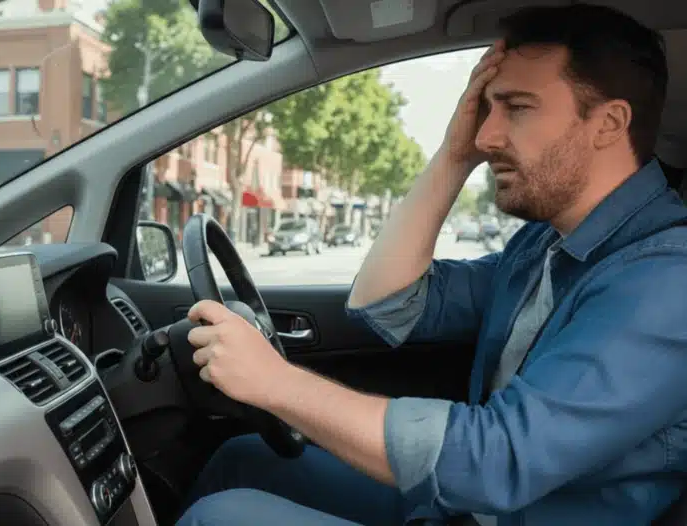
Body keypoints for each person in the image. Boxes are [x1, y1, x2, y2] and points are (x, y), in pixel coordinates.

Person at [177, 4, 687, 526]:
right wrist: (452, 155)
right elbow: (386, 305)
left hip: (501, 505)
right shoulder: (543, 247)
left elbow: (500, 460)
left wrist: (277, 384)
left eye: (517, 107)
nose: (487, 137)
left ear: (609, 124)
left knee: (221, 517)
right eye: (486, 109)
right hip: (467, 509)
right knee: (241, 459)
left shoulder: (667, 281)